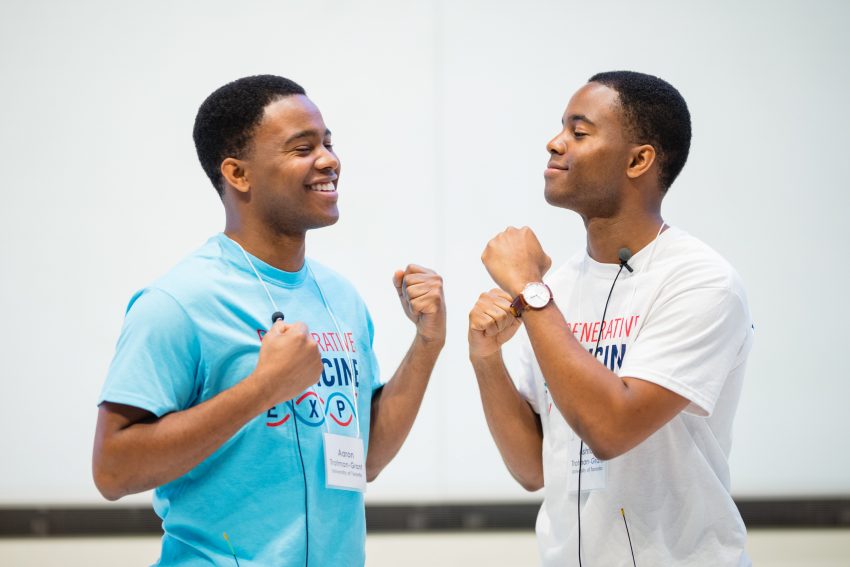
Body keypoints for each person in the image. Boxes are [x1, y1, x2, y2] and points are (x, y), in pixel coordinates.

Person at [92, 75, 446, 566]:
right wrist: (263, 387)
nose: (328, 159)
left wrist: (426, 345)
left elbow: (364, 458)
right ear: (238, 174)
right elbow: (112, 471)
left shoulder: (339, 297)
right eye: (303, 147)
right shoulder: (178, 302)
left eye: (327, 142)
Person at [468, 71, 754, 566]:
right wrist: (486, 358)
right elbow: (532, 468)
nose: (554, 143)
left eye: (579, 132)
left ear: (639, 160)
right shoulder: (556, 290)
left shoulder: (700, 281)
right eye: (562, 128)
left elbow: (610, 429)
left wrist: (530, 293)